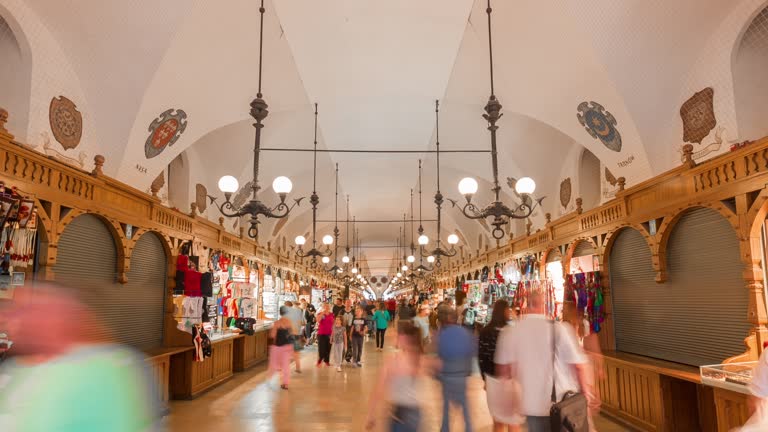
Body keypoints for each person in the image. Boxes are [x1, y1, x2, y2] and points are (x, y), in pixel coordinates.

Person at [0, 285, 158, 431]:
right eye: (18, 310)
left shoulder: (108, 368)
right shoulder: (16, 367)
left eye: (31, 311)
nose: (12, 318)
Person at [495, 291, 594, 432]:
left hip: (528, 406)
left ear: (526, 306)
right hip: (560, 405)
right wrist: (586, 394)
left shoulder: (509, 332)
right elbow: (579, 366)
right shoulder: (558, 329)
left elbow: (503, 372)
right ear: (543, 305)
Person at [366, 322, 423, 432]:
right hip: (416, 412)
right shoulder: (419, 358)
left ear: (403, 337)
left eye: (396, 333)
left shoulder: (394, 361)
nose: (392, 335)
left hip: (399, 414)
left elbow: (378, 390)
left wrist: (370, 414)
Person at [478, 300, 522, 432]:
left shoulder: (485, 331)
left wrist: (484, 379)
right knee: (513, 421)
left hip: (492, 379)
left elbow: (482, 358)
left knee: (498, 421)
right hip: (510, 379)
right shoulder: (511, 331)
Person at [435, 308, 476, 432]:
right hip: (461, 375)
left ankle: (445, 428)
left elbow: (440, 354)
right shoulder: (465, 333)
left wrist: (437, 374)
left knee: (446, 405)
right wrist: (468, 370)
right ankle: (468, 428)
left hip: (447, 375)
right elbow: (472, 352)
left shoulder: (443, 334)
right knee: (464, 405)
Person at [268, 306, 295, 389]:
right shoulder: (290, 322)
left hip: (278, 347)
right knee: (286, 365)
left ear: (280, 312)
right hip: (288, 346)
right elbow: (293, 334)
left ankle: (270, 378)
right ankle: (285, 383)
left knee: (275, 363)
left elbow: (272, 335)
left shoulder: (277, 323)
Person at [284, 300, 306, 373]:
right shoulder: (298, 312)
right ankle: (298, 367)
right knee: (296, 352)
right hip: (297, 335)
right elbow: (303, 323)